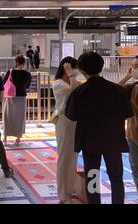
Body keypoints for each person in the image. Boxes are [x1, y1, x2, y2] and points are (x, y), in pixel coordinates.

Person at [65, 52, 133, 204]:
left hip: (90, 142)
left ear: (82, 70)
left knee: (93, 176)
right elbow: (128, 114)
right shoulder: (117, 90)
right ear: (102, 67)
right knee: (116, 178)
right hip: (114, 140)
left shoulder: (79, 92)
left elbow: (71, 116)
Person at [52, 57, 81, 204]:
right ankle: (63, 195)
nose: (76, 71)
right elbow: (74, 90)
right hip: (64, 122)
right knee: (64, 158)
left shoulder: (71, 81)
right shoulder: (58, 83)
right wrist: (70, 73)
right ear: (66, 69)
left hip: (74, 122)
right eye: (73, 68)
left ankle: (70, 189)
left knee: (73, 157)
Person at [118, 55, 138, 204]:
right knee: (136, 169)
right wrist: (127, 76)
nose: (135, 69)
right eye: (133, 66)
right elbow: (114, 90)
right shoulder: (133, 85)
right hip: (132, 133)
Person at [2, 55, 32, 146]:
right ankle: (18, 139)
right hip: (22, 97)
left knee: (8, 117)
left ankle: (5, 139)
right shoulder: (27, 74)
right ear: (24, 62)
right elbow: (27, 86)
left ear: (16, 62)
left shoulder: (10, 72)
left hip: (11, 97)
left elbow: (4, 83)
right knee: (20, 118)